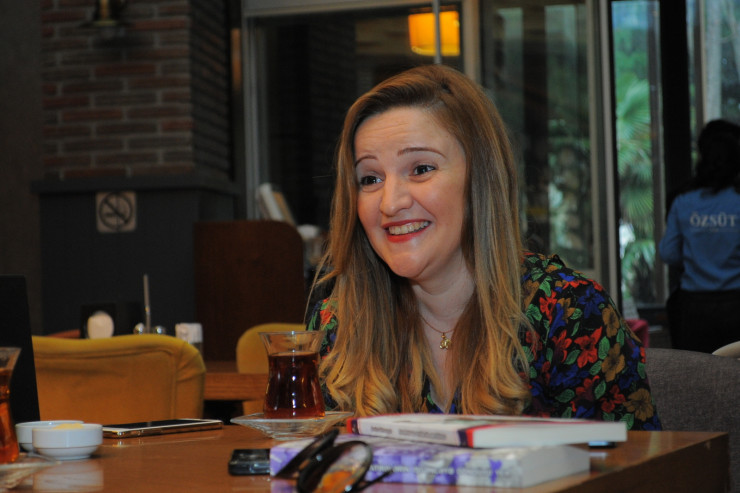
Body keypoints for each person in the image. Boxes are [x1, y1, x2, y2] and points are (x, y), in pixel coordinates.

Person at [307, 64, 661, 430]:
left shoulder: (569, 314)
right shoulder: (338, 326)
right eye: (370, 178)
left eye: (421, 169)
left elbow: (637, 462)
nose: (390, 202)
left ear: (479, 178)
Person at [659, 119, 740, 353]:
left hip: (695, 307)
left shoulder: (683, 202)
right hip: (736, 304)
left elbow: (668, 253)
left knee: (695, 369)